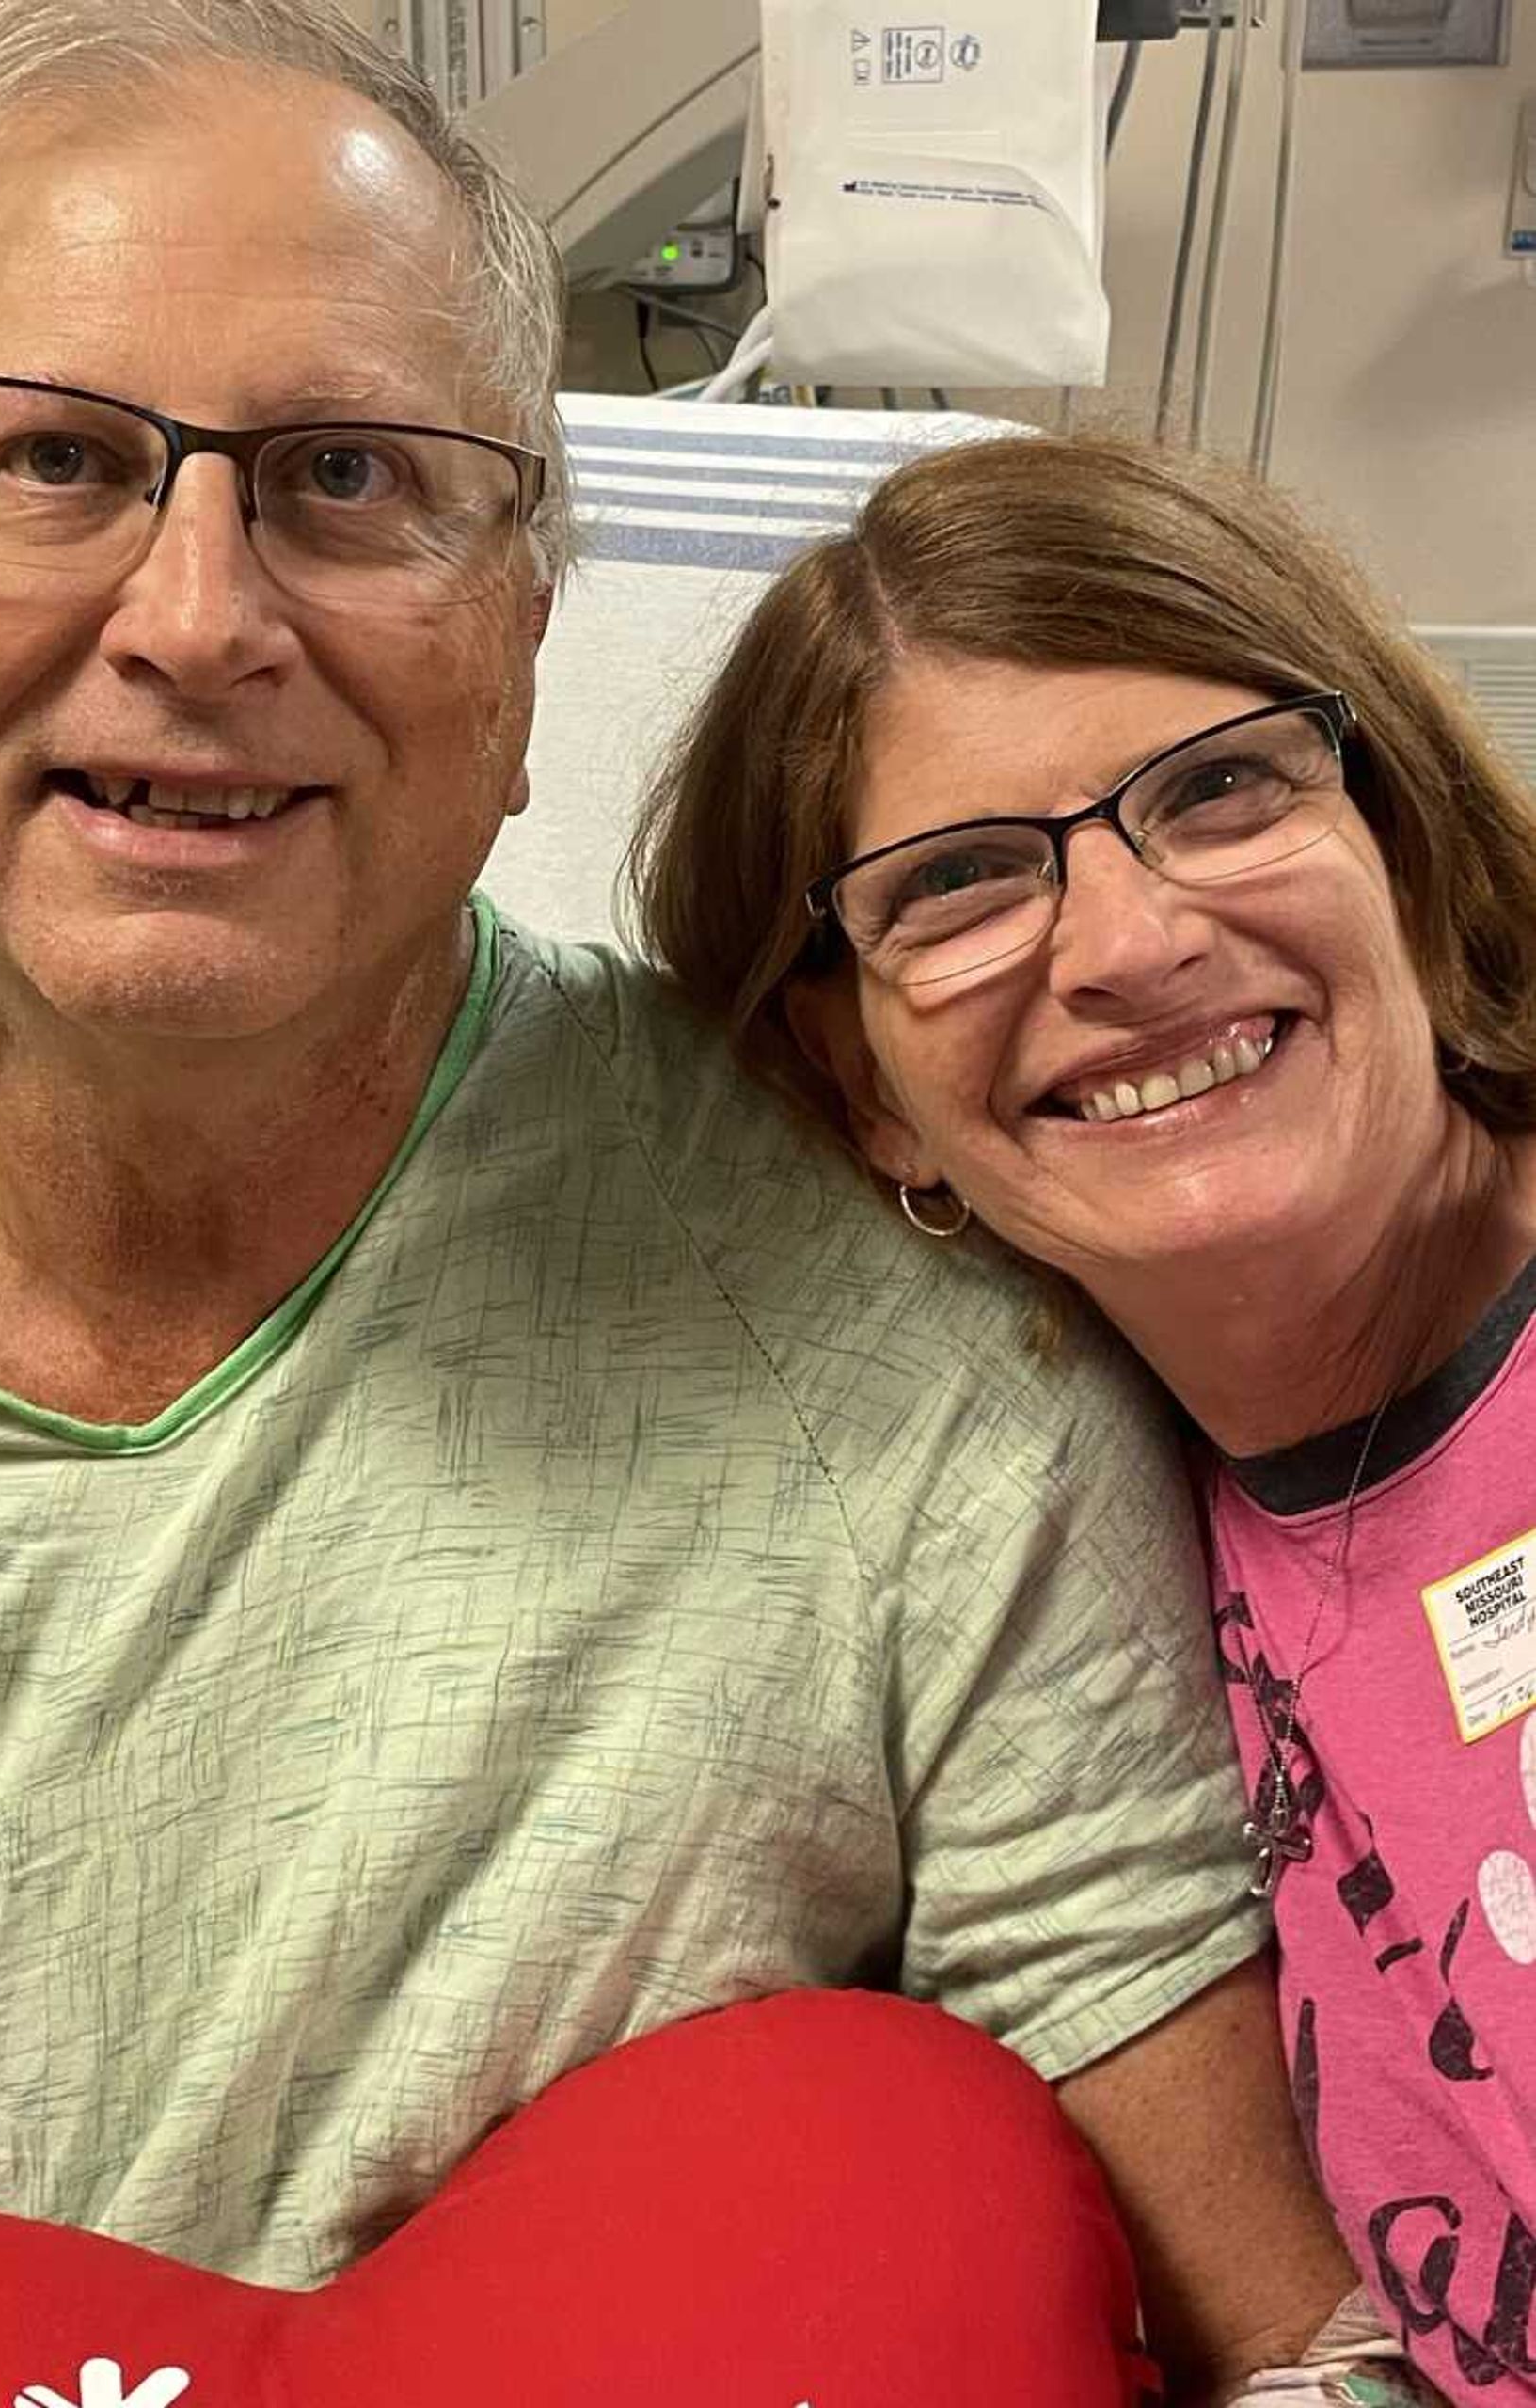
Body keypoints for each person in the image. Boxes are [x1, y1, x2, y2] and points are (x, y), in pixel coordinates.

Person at [0, 2, 1360, 2397]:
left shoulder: (900, 1346)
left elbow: (1297, 2348)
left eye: (352, 478)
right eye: (58, 459)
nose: (198, 616)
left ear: (520, 651)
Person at [629, 426, 1536, 2402]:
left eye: (1219, 790)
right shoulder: (1082, 1549)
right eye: (957, 885)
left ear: (1400, 836)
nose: (1130, 944)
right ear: (860, 1088)